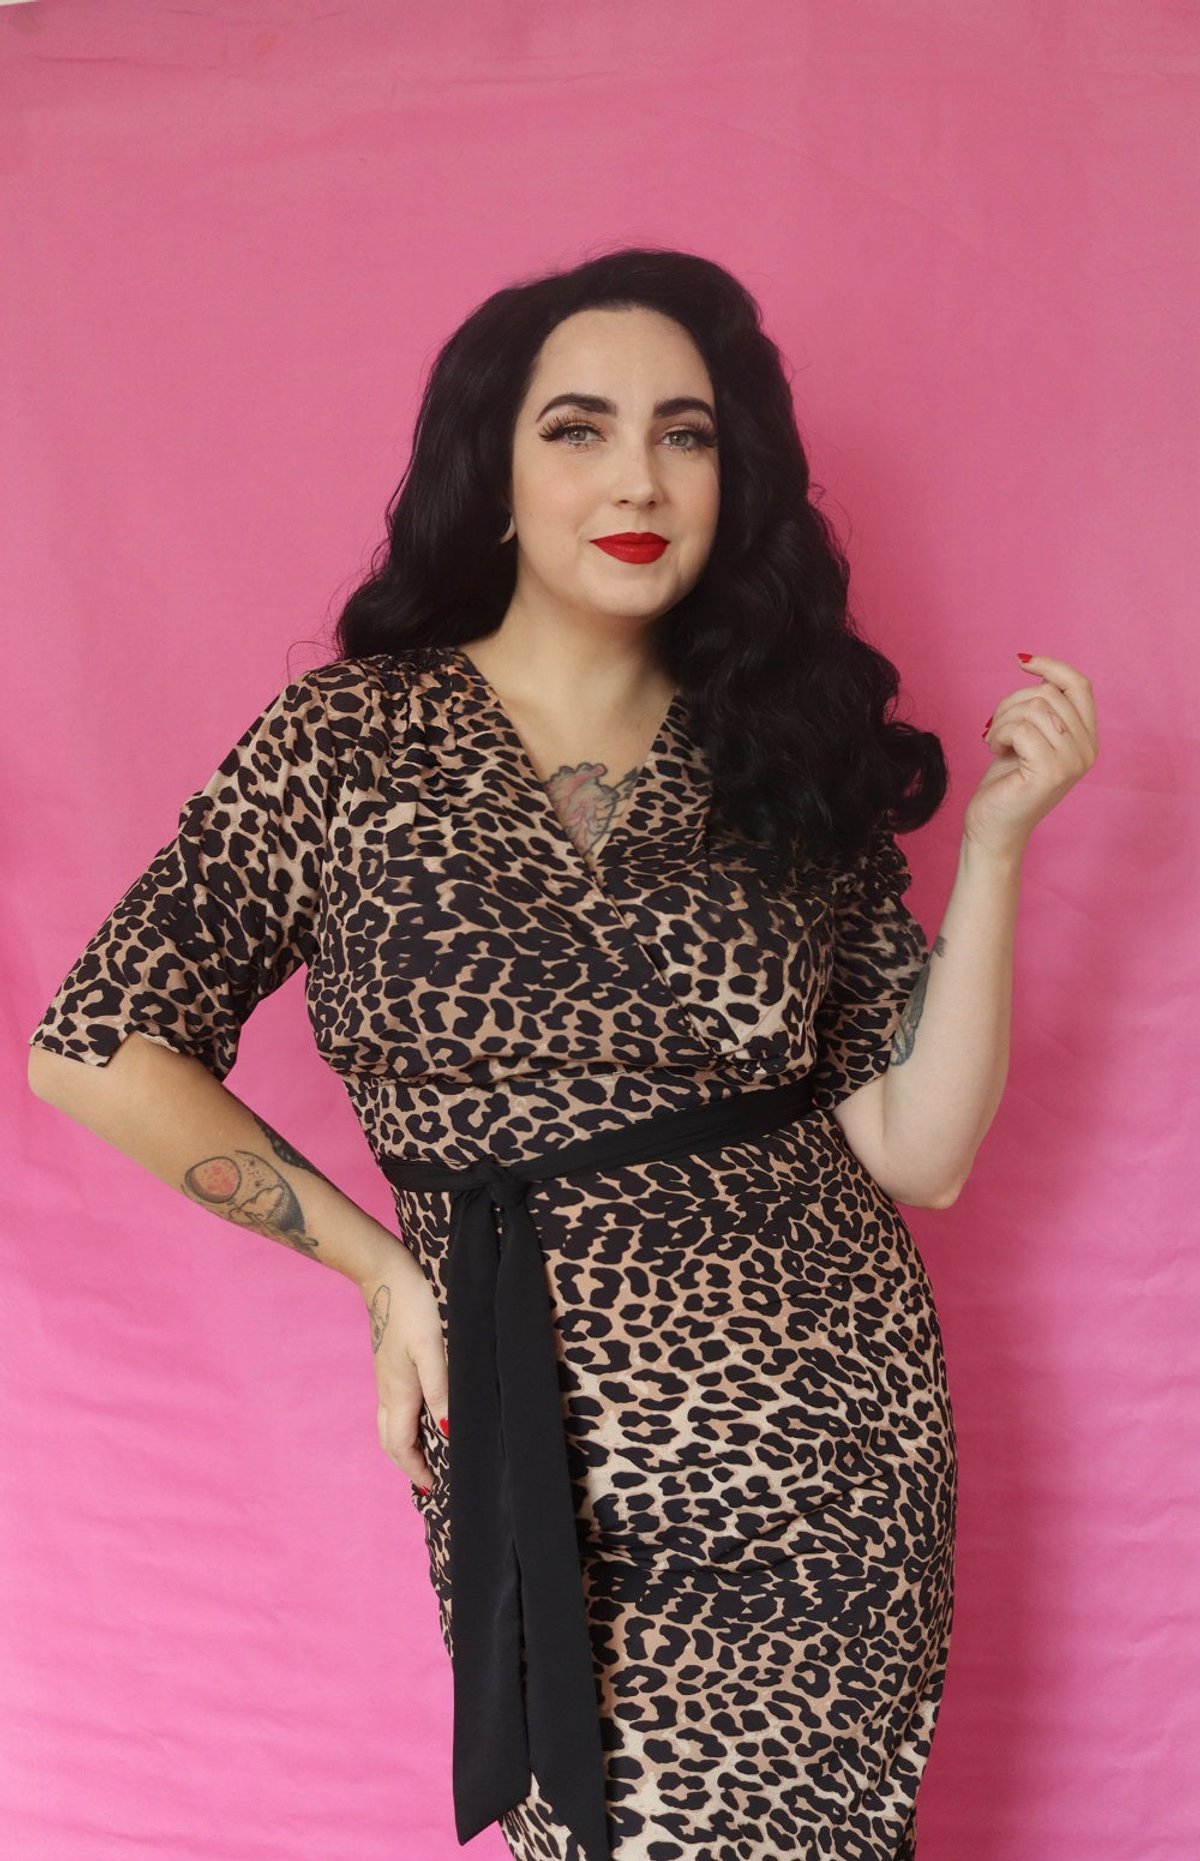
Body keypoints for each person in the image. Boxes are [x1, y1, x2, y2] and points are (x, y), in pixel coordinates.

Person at [26, 246, 1098, 1861]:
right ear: (497, 473)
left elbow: (919, 1150)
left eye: (686, 434)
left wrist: (1002, 849)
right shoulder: (350, 742)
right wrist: (382, 1272)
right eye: (580, 428)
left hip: (825, 1430)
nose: (638, 478)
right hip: (532, 1411)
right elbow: (96, 1042)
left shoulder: (777, 751)